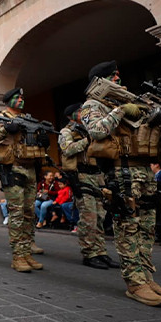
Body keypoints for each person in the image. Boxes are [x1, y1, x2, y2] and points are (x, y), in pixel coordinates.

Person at [81, 60, 161, 306]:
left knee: (147, 228)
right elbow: (96, 131)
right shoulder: (92, 106)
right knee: (128, 227)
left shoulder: (131, 104)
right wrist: (121, 110)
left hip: (144, 171)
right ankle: (135, 283)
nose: (118, 79)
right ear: (100, 82)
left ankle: (147, 278)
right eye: (112, 76)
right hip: (121, 174)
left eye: (117, 75)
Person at [0, 87, 46, 273]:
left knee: (29, 212)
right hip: (12, 169)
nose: (21, 100)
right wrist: (5, 129)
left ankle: (27, 253)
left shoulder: (28, 118)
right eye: (17, 98)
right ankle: (18, 256)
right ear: (8, 100)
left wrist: (42, 139)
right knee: (17, 213)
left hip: (30, 168)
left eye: (22, 97)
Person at [59, 102, 120, 269]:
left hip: (97, 175)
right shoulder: (66, 132)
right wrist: (88, 140)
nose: (81, 113)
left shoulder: (89, 128)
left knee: (100, 216)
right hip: (82, 176)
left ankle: (101, 252)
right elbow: (68, 149)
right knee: (88, 218)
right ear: (70, 116)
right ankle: (89, 253)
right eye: (78, 111)